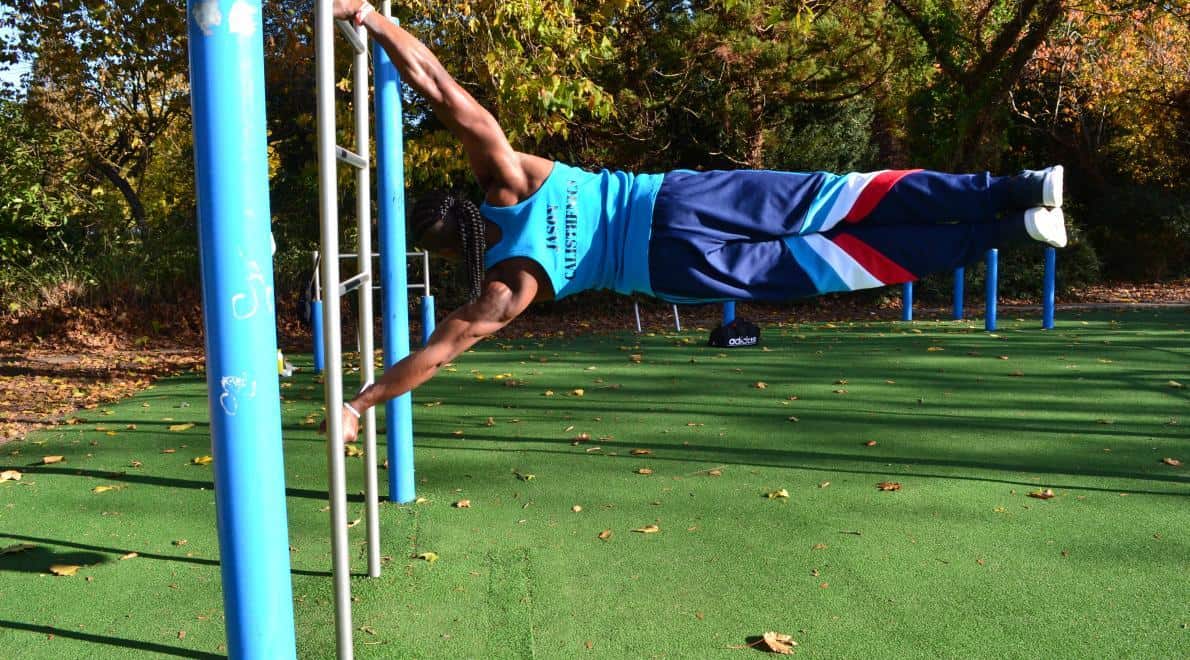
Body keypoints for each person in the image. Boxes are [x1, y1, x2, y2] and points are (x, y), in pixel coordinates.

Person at [329, 0, 1068, 442]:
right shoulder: (507, 180)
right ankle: (1018, 187)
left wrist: (361, 403)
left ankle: (1015, 230)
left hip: (670, 271)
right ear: (460, 203)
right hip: (675, 201)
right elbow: (445, 91)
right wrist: (369, 16)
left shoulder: (506, 288)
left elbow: (442, 351)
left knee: (840, 264)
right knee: (847, 198)